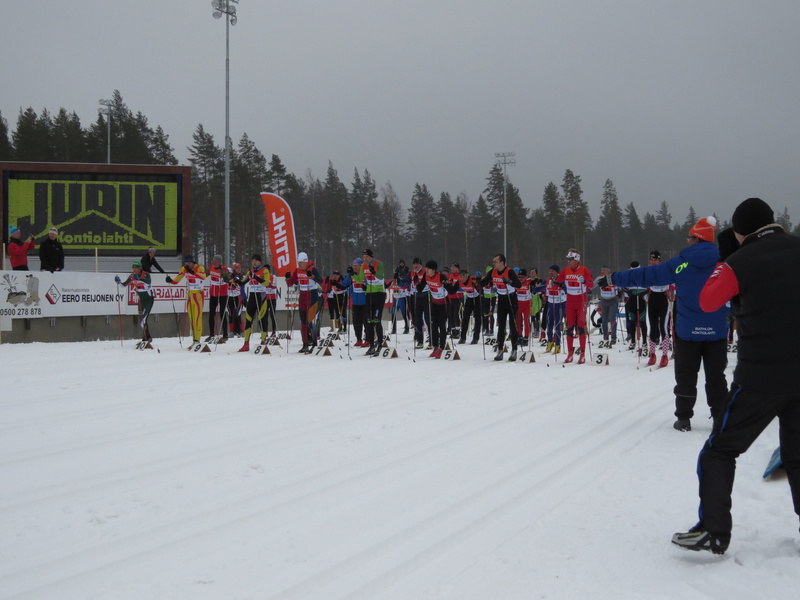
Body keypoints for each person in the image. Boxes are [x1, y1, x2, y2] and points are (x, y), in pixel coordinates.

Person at [672, 197, 800, 555]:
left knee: (719, 451)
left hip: (760, 378)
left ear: (741, 231)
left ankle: (714, 531)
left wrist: (728, 261)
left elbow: (709, 301)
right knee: (798, 457)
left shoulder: (740, 260)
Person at [596, 216, 729, 432]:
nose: (687, 241)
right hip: (717, 331)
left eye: (689, 237)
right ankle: (720, 418)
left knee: (686, 375)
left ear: (696, 239)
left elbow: (648, 275)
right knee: (716, 377)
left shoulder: (681, 264)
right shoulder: (724, 263)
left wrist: (613, 278)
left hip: (688, 331)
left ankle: (684, 419)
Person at [480, 253, 522, 361]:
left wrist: (510, 281)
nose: (493, 263)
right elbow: (484, 281)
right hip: (502, 300)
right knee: (501, 326)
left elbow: (518, 284)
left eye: (495, 261)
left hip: (511, 299)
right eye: (493, 261)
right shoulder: (493, 272)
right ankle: (500, 350)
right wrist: (478, 283)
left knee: (512, 326)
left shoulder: (509, 271)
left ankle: (514, 350)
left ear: (502, 262)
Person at [555, 249, 593, 364]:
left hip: (581, 300)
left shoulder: (584, 270)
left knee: (581, 327)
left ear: (577, 260)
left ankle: (582, 354)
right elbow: (558, 282)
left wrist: (584, 281)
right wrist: (555, 282)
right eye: (568, 259)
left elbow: (591, 284)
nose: (568, 261)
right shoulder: (565, 270)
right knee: (569, 328)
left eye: (570, 259)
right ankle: (570, 353)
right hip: (570, 301)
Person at [415, 260, 459, 358]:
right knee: (433, 326)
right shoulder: (426, 276)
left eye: (428, 269)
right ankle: (435, 347)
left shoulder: (441, 277)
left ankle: (441, 348)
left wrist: (458, 283)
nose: (426, 270)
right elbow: (420, 288)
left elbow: (451, 291)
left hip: (444, 304)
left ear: (433, 270)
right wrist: (416, 282)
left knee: (442, 326)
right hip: (434, 303)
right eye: (426, 268)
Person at [285, 251, 323, 353]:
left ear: (306, 262)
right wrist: (287, 278)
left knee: (310, 320)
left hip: (312, 295)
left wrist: (312, 277)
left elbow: (321, 280)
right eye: (299, 262)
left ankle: (314, 343)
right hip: (302, 296)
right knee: (303, 321)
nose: (299, 264)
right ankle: (305, 344)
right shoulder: (297, 270)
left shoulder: (312, 269)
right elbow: (290, 283)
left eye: (301, 263)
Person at [166, 255, 207, 345]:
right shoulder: (184, 269)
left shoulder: (199, 268)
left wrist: (193, 272)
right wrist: (170, 281)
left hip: (198, 296)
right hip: (189, 296)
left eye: (188, 263)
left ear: (192, 262)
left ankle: (197, 339)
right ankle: (194, 340)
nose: (187, 264)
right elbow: (176, 281)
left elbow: (203, 277)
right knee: (191, 319)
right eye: (185, 263)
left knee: (197, 318)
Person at [645, 250, 675, 367]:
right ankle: (652, 354)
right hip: (652, 299)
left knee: (664, 327)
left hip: (663, 299)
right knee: (652, 327)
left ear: (659, 260)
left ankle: (664, 355)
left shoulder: (664, 269)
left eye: (655, 260)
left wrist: (672, 290)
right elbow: (643, 281)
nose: (653, 262)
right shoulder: (648, 270)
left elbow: (673, 281)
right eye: (652, 259)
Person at [236, 254, 271, 352]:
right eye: (253, 261)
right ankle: (246, 344)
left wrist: (256, 277)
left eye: (256, 261)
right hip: (252, 298)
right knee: (248, 320)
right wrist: (236, 280)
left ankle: (263, 341)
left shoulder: (264, 270)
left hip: (261, 297)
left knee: (262, 320)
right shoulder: (250, 272)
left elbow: (267, 283)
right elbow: (242, 283)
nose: (254, 262)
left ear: (260, 262)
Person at [115, 260, 153, 342]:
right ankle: (147, 337)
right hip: (141, 301)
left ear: (140, 268)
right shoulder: (132, 276)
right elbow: (123, 286)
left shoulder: (146, 274)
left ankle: (146, 338)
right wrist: (118, 282)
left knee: (143, 320)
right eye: (133, 267)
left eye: (136, 267)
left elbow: (147, 284)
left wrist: (138, 279)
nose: (134, 269)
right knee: (141, 320)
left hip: (148, 300)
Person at [361, 248, 387, 356]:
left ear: (371, 257)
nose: (365, 259)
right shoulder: (363, 266)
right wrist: (352, 274)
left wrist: (374, 272)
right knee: (369, 321)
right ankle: (371, 346)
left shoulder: (378, 263)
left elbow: (381, 276)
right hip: (369, 294)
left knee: (376, 320)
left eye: (367, 257)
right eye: (363, 257)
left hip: (379, 294)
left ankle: (380, 344)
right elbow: (360, 279)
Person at [622, 261, 648, 350]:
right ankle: (633, 341)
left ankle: (644, 342)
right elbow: (624, 286)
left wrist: (644, 292)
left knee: (642, 321)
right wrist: (628, 292)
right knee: (632, 320)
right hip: (632, 299)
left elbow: (649, 285)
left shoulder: (643, 273)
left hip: (641, 298)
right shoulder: (628, 274)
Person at [594, 265, 621, 345]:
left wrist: (620, 292)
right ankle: (605, 336)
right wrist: (587, 287)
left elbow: (620, 286)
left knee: (612, 318)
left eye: (604, 270)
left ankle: (613, 337)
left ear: (608, 271)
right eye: (601, 270)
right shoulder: (599, 278)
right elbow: (592, 286)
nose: (602, 272)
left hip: (613, 300)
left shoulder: (613, 278)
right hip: (604, 300)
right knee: (604, 319)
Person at [206, 255, 230, 341]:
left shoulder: (224, 268)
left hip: (222, 294)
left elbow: (228, 279)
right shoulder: (211, 268)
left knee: (222, 314)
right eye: (213, 261)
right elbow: (203, 275)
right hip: (213, 294)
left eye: (216, 262)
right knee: (211, 314)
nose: (214, 263)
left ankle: (225, 334)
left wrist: (223, 274)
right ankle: (211, 334)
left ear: (220, 262)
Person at [542, 265, 566, 353]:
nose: (550, 272)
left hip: (559, 304)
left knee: (557, 326)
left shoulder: (561, 279)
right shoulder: (548, 280)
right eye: (550, 271)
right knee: (549, 325)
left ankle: (558, 345)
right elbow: (546, 289)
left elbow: (566, 289)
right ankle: (549, 343)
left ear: (556, 272)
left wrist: (562, 286)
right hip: (550, 304)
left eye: (552, 271)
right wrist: (543, 294)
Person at [409, 257, 431, 349]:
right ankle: (420, 341)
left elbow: (425, 283)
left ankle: (432, 340)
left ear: (421, 265)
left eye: (417, 264)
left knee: (427, 318)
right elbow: (409, 282)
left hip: (426, 295)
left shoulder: (425, 271)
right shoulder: (412, 272)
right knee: (418, 319)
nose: (416, 266)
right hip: (417, 296)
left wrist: (418, 283)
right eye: (414, 264)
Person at [348, 258, 368, 347]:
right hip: (355, 302)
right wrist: (349, 292)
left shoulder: (365, 275)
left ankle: (368, 339)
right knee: (356, 322)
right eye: (353, 266)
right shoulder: (352, 275)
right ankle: (359, 339)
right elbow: (348, 285)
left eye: (356, 266)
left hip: (364, 302)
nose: (354, 267)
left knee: (366, 321)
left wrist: (366, 288)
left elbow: (369, 285)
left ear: (361, 266)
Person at [458, 270, 482, 344]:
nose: (462, 278)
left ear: (467, 276)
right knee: (465, 317)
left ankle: (476, 338)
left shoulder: (472, 279)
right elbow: (454, 289)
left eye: (463, 276)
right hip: (469, 298)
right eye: (461, 276)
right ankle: (463, 337)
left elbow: (480, 286)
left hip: (477, 298)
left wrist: (477, 284)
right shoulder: (460, 281)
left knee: (477, 318)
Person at [514, 268, 533, 346]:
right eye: (519, 277)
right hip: (518, 304)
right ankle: (520, 336)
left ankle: (526, 338)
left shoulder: (528, 282)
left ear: (526, 277)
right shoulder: (516, 283)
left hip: (527, 305)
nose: (520, 278)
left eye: (522, 277)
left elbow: (534, 280)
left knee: (526, 321)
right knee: (518, 321)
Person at [227, 262, 245, 337]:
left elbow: (241, 283)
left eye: (239, 268)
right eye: (237, 268)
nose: (239, 270)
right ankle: (232, 331)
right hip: (230, 296)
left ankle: (241, 331)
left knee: (238, 313)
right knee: (231, 314)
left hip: (238, 296)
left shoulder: (241, 276)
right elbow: (226, 282)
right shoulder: (230, 276)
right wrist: (229, 281)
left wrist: (234, 282)